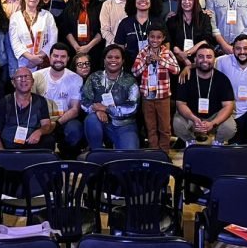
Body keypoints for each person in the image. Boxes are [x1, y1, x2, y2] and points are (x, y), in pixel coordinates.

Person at [131, 21, 180, 153]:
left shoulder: (167, 53)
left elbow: (176, 70)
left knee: (164, 127)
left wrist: (160, 60)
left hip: (163, 97)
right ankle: (154, 152)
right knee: (150, 127)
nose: (155, 40)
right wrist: (145, 63)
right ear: (148, 37)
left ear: (163, 38)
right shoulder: (142, 53)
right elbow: (134, 71)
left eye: (158, 37)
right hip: (147, 96)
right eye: (152, 37)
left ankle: (164, 153)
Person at [173, 45, 236, 146]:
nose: (205, 60)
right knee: (178, 123)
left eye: (209, 56)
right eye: (201, 56)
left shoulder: (222, 79)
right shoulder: (186, 76)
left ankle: (218, 142)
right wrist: (194, 118)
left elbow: (228, 106)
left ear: (214, 59)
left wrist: (213, 123)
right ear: (195, 59)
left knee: (229, 127)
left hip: (214, 117)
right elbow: (180, 104)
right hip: (192, 116)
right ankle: (190, 141)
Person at [81, 44, 140, 150]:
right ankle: (96, 152)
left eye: (117, 57)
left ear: (123, 61)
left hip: (124, 125)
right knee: (91, 119)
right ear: (104, 60)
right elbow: (84, 101)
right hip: (100, 122)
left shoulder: (130, 81)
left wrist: (107, 109)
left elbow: (132, 107)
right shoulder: (94, 77)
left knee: (130, 155)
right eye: (109, 57)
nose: (113, 60)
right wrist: (96, 109)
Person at [33, 43, 85, 157]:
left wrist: (56, 123)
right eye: (55, 56)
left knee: (75, 129)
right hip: (42, 120)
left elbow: (75, 109)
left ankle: (68, 158)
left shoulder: (76, 79)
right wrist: (46, 124)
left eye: (63, 57)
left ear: (68, 59)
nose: (59, 59)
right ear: (50, 57)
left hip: (64, 120)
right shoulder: (36, 76)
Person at [0, 67, 54, 149]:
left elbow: (46, 125)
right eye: (19, 77)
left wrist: (39, 132)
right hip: (8, 146)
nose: (24, 80)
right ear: (13, 83)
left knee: (49, 140)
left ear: (33, 82)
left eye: (27, 77)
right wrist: (3, 154)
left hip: (32, 144)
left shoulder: (40, 101)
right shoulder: (4, 102)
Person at [10, 0, 59, 72]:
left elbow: (53, 39)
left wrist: (38, 57)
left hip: (43, 61)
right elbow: (15, 42)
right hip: (24, 62)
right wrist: (31, 58)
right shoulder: (15, 17)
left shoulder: (47, 16)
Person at [61, 0, 104, 70]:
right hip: (74, 50)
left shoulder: (101, 6)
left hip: (94, 50)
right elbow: (65, 28)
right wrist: (76, 47)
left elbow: (102, 29)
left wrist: (88, 47)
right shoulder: (69, 6)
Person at [167, 0, 214, 70]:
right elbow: (170, 42)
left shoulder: (204, 18)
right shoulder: (172, 20)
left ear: (195, 0)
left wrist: (188, 53)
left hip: (200, 61)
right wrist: (183, 57)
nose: (186, 2)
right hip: (177, 62)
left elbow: (207, 40)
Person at [114, 0, 162, 67]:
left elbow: (166, 45)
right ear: (133, 1)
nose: (143, 0)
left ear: (152, 1)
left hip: (154, 66)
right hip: (130, 67)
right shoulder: (125, 23)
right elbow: (119, 48)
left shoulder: (158, 21)